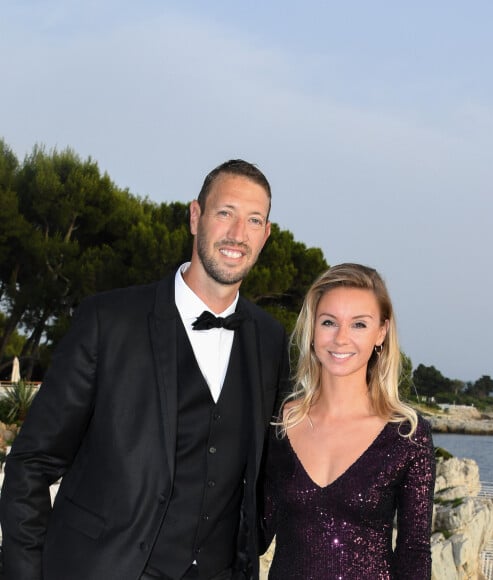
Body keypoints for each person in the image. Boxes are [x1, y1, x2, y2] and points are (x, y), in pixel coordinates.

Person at [0, 159, 290, 580]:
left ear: (265, 235)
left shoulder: (270, 339)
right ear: (196, 217)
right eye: (225, 213)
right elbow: (31, 464)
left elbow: (267, 470)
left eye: (253, 220)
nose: (237, 234)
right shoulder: (108, 321)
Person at [259, 263, 435, 579]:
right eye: (329, 322)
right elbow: (256, 532)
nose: (341, 338)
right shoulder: (280, 423)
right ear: (312, 329)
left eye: (358, 325)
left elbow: (414, 554)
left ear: (381, 332)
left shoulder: (407, 436)